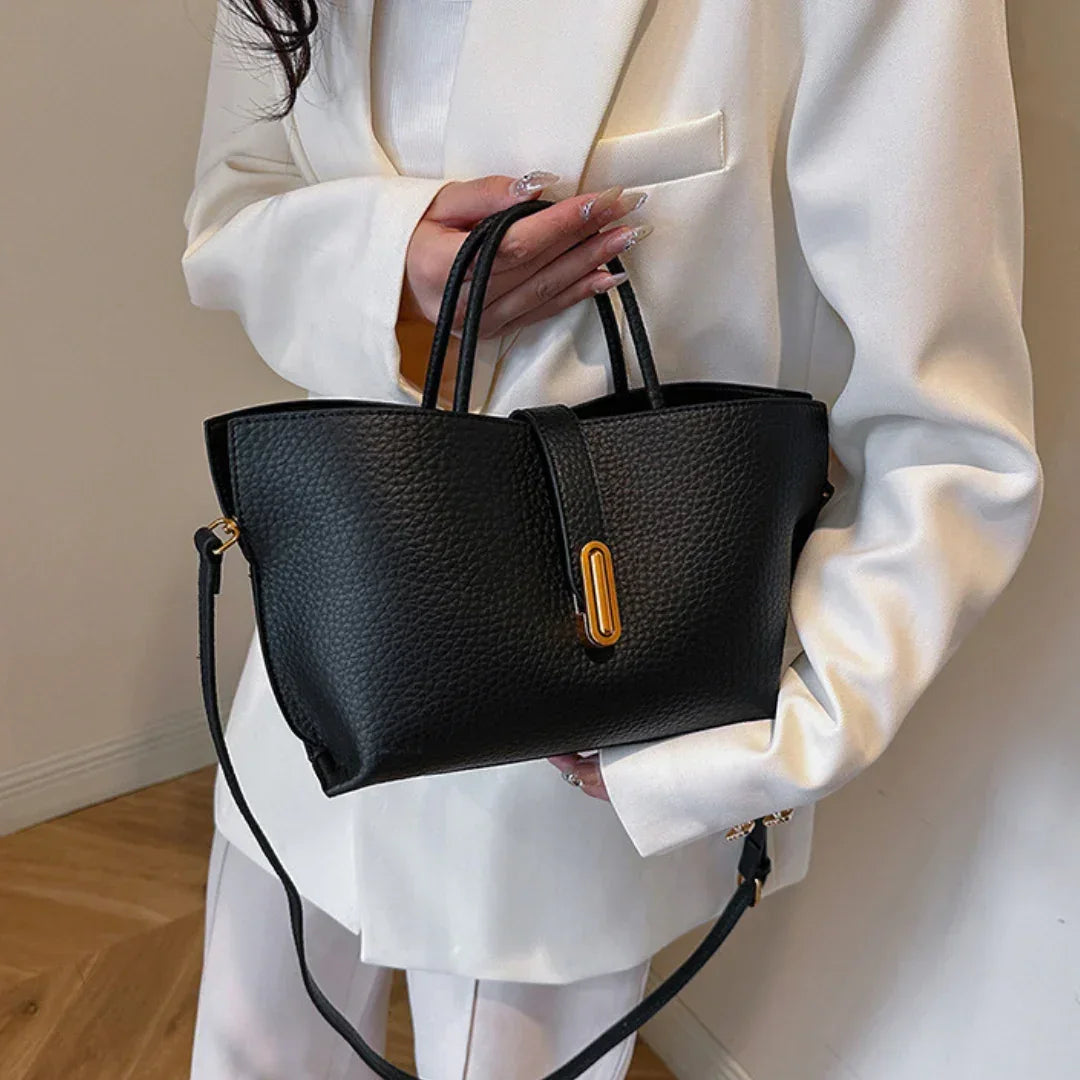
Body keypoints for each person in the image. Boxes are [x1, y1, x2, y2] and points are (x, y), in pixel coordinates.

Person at [180, 1, 1043, 1076]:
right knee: (253, 1046)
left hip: (585, 720)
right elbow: (236, 206)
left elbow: (948, 439)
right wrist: (392, 268)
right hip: (323, 658)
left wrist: (753, 736)